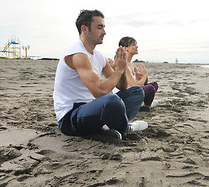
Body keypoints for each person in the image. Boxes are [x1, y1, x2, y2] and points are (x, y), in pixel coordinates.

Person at [53, 10, 148, 140]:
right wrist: (119, 70)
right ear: (85, 29)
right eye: (99, 27)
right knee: (111, 100)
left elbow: (122, 86)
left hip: (91, 108)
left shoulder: (98, 56)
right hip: (71, 117)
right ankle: (125, 128)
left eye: (104, 27)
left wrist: (122, 67)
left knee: (136, 91)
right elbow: (99, 91)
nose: (104, 32)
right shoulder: (78, 55)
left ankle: (111, 127)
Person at [109, 37, 158, 108]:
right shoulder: (123, 63)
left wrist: (144, 76)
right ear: (125, 48)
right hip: (123, 95)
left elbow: (143, 83)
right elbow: (135, 86)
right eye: (133, 45)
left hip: (132, 92)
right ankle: (145, 106)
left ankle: (143, 104)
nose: (137, 46)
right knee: (150, 88)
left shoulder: (131, 64)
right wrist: (144, 75)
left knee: (154, 84)